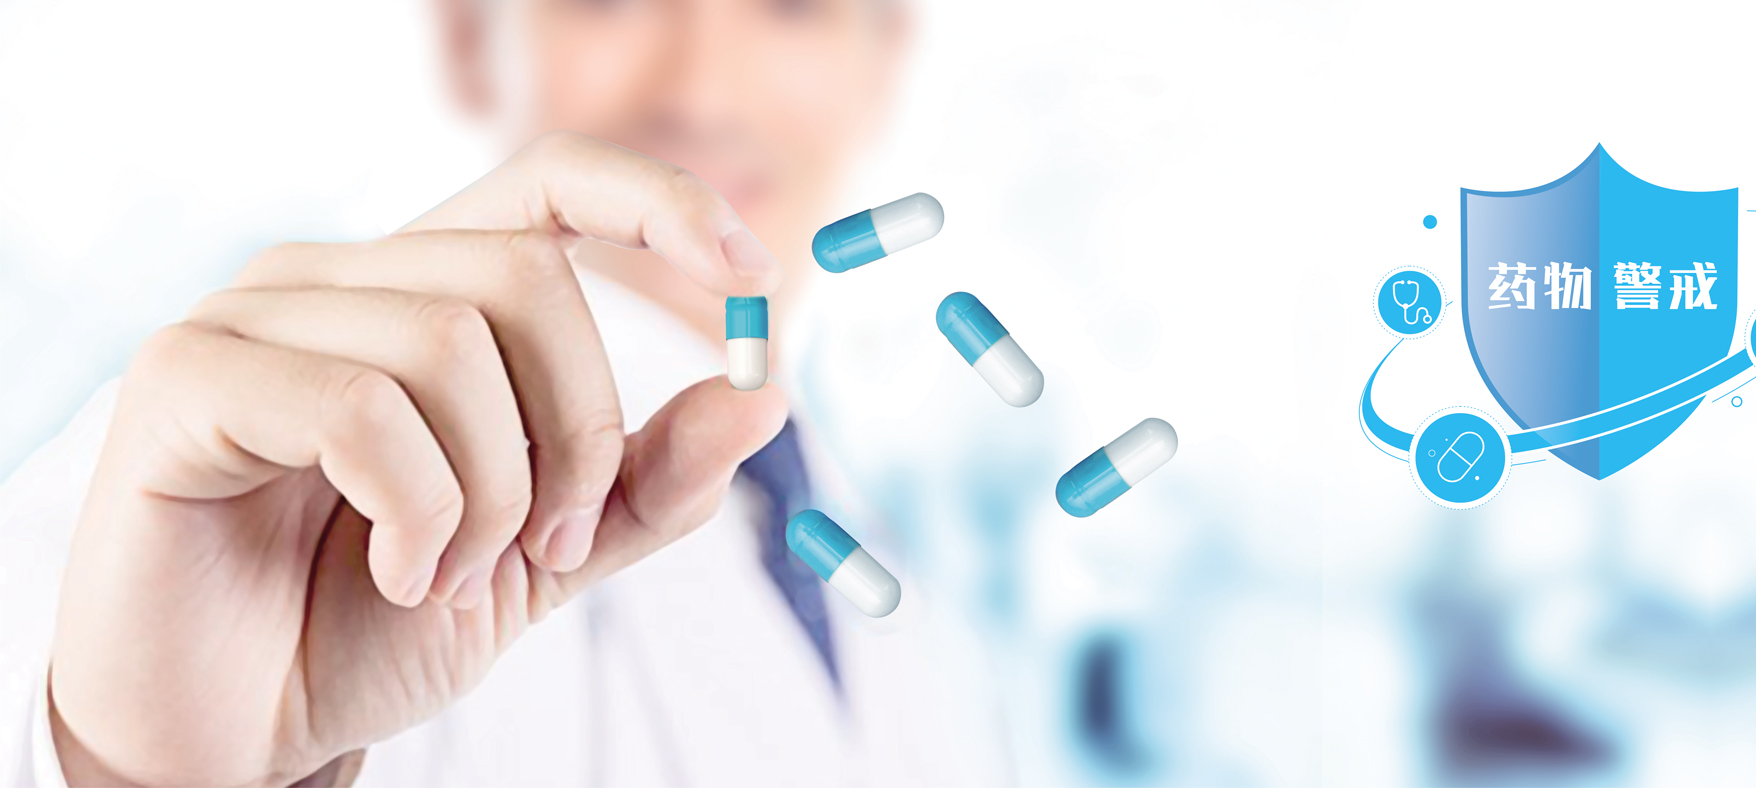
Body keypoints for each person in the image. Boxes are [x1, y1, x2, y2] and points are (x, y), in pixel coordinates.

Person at [0, 0, 1006, 785]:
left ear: (881, 63)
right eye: (612, 2)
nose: (705, 90)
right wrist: (133, 771)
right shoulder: (291, 460)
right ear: (476, 43)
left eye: (790, 6)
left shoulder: (882, 564)